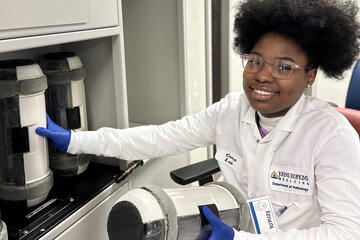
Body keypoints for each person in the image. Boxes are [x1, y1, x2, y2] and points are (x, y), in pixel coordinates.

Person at [36, 0, 360, 239]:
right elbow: (161, 137)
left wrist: (241, 239)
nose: (263, 76)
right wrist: (78, 140)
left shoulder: (332, 136)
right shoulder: (230, 110)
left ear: (311, 77)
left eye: (284, 67)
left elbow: (345, 232)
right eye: (255, 61)